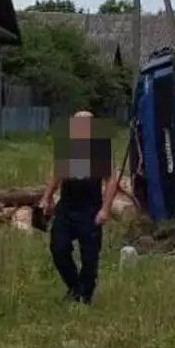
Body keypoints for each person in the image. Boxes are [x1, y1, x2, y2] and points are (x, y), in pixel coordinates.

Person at [40, 111, 119, 304]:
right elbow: (57, 172)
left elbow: (111, 181)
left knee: (90, 256)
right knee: (58, 248)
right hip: (66, 205)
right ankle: (75, 287)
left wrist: (105, 209)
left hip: (90, 207)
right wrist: (47, 197)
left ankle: (85, 294)